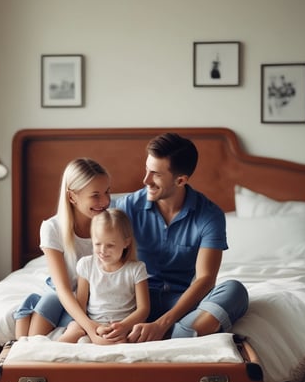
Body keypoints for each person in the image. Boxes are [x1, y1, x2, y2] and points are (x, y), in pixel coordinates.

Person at [111, 132, 249, 343]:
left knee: (235, 290)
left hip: (180, 302)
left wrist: (162, 324)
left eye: (155, 174)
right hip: (134, 301)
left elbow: (205, 279)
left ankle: (168, 334)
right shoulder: (126, 207)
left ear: (181, 180)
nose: (145, 180)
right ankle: (183, 335)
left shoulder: (209, 215)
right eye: (147, 169)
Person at [13, 158, 114, 345]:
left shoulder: (111, 225)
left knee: (78, 326)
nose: (106, 201)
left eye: (107, 191)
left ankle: (68, 335)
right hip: (62, 291)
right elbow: (63, 289)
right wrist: (90, 326)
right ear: (72, 197)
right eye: (95, 195)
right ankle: (29, 352)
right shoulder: (52, 228)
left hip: (96, 293)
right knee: (48, 303)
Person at [58, 208, 150, 343]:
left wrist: (123, 326)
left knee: (128, 337)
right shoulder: (86, 265)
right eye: (97, 244)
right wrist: (93, 327)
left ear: (126, 242)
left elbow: (144, 309)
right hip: (92, 323)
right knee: (74, 329)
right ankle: (51, 354)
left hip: (124, 324)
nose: (102, 251)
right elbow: (81, 306)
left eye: (110, 245)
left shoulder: (136, 269)